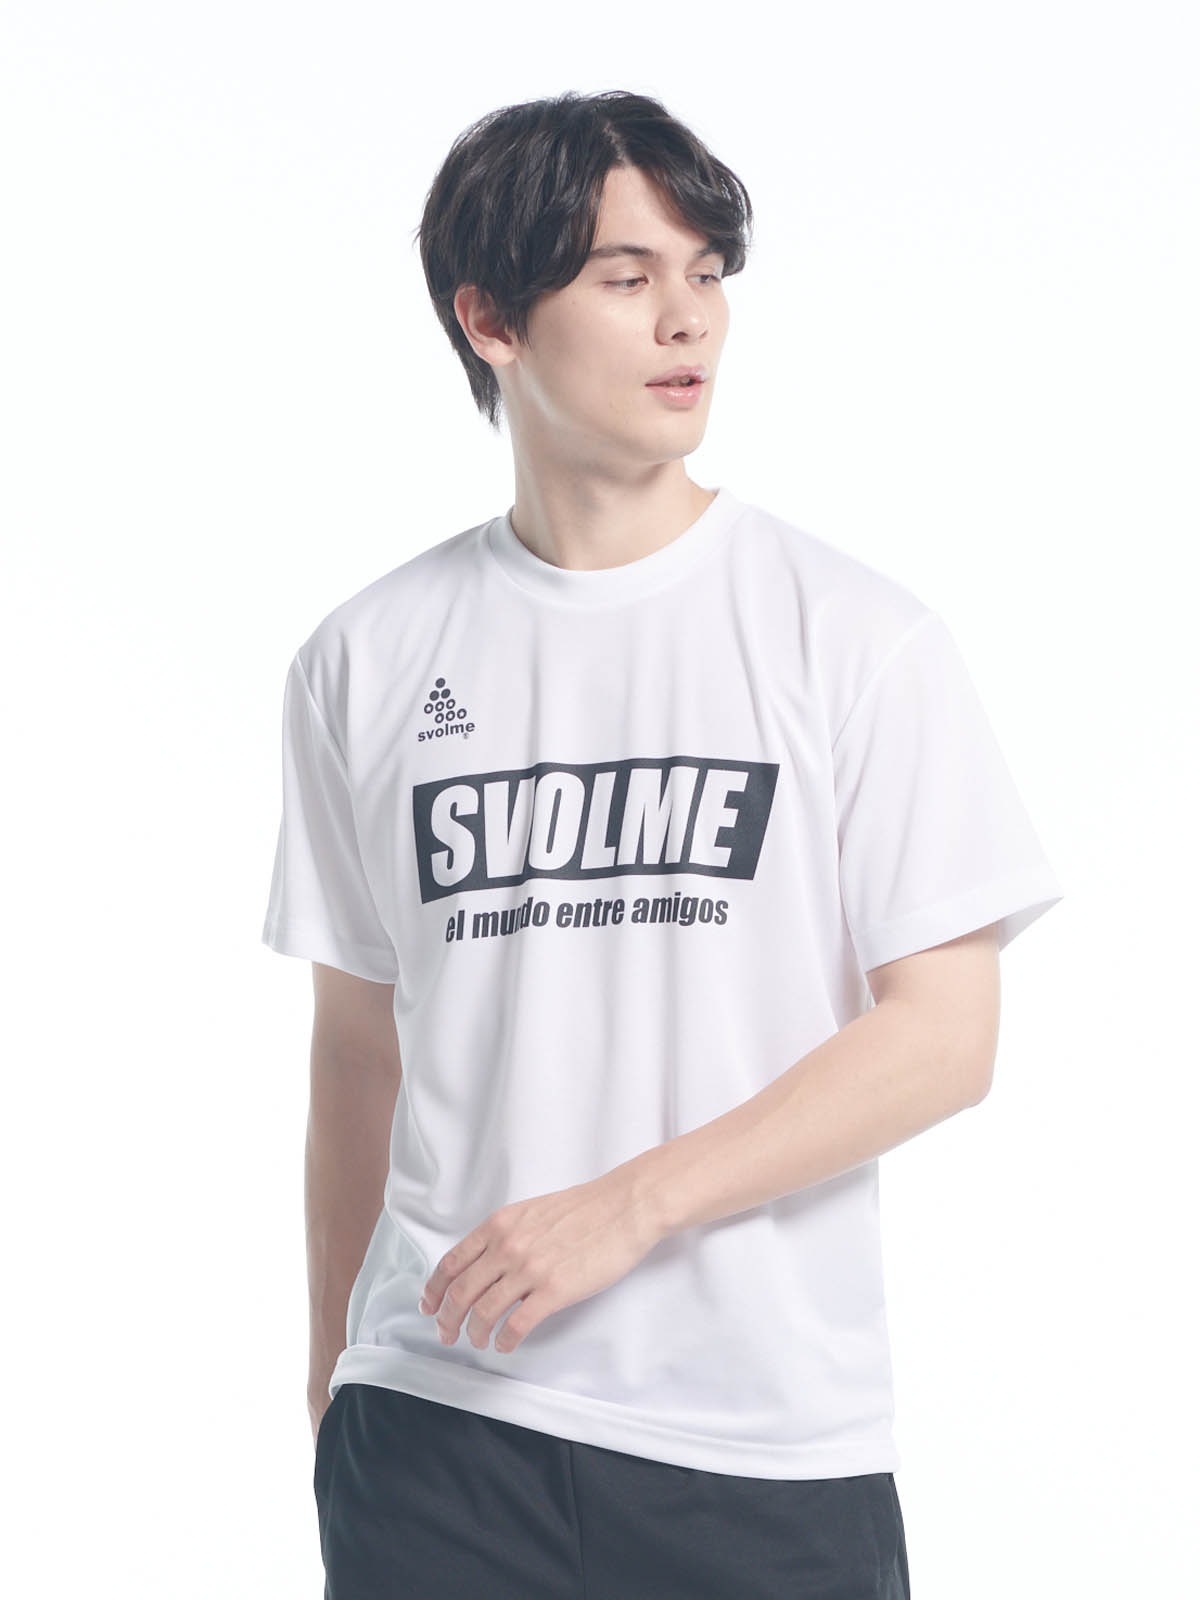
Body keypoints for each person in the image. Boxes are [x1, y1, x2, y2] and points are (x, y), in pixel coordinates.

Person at [262, 88, 1064, 1599]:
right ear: (491, 319)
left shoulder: (854, 638)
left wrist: (629, 1207)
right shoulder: (364, 659)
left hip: (760, 1447)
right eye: (627, 278)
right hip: (432, 1430)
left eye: (705, 274)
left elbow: (945, 1039)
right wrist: (332, 1380)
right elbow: (356, 1049)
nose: (687, 319)